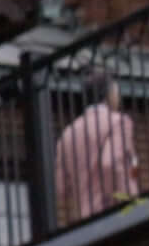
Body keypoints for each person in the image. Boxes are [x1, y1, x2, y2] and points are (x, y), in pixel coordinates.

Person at [54, 70, 141, 219]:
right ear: (109, 95)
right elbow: (111, 163)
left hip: (83, 218)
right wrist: (129, 201)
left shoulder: (67, 134)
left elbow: (60, 188)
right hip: (114, 213)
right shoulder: (119, 121)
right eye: (116, 91)